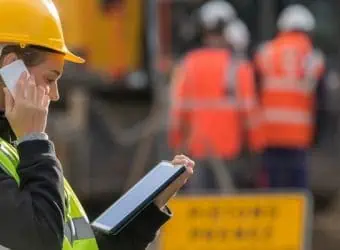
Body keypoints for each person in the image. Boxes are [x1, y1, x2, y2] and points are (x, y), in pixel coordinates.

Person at [0, 1, 195, 250]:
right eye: (50, 78)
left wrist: (147, 214)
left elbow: (78, 245)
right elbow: (41, 241)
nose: (55, 94)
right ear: (11, 68)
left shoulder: (16, 150)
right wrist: (34, 140)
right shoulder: (31, 150)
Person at [168, 0, 263, 191]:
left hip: (197, 152)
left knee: (200, 207)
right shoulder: (239, 67)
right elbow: (250, 115)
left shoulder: (189, 64)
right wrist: (256, 149)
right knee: (225, 208)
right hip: (230, 153)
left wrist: (178, 145)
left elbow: (178, 112)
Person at [254, 4, 326, 188]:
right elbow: (321, 100)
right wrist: (318, 134)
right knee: (297, 191)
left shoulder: (265, 53)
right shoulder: (313, 58)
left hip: (269, 134)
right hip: (298, 136)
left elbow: (254, 91)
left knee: (273, 189)